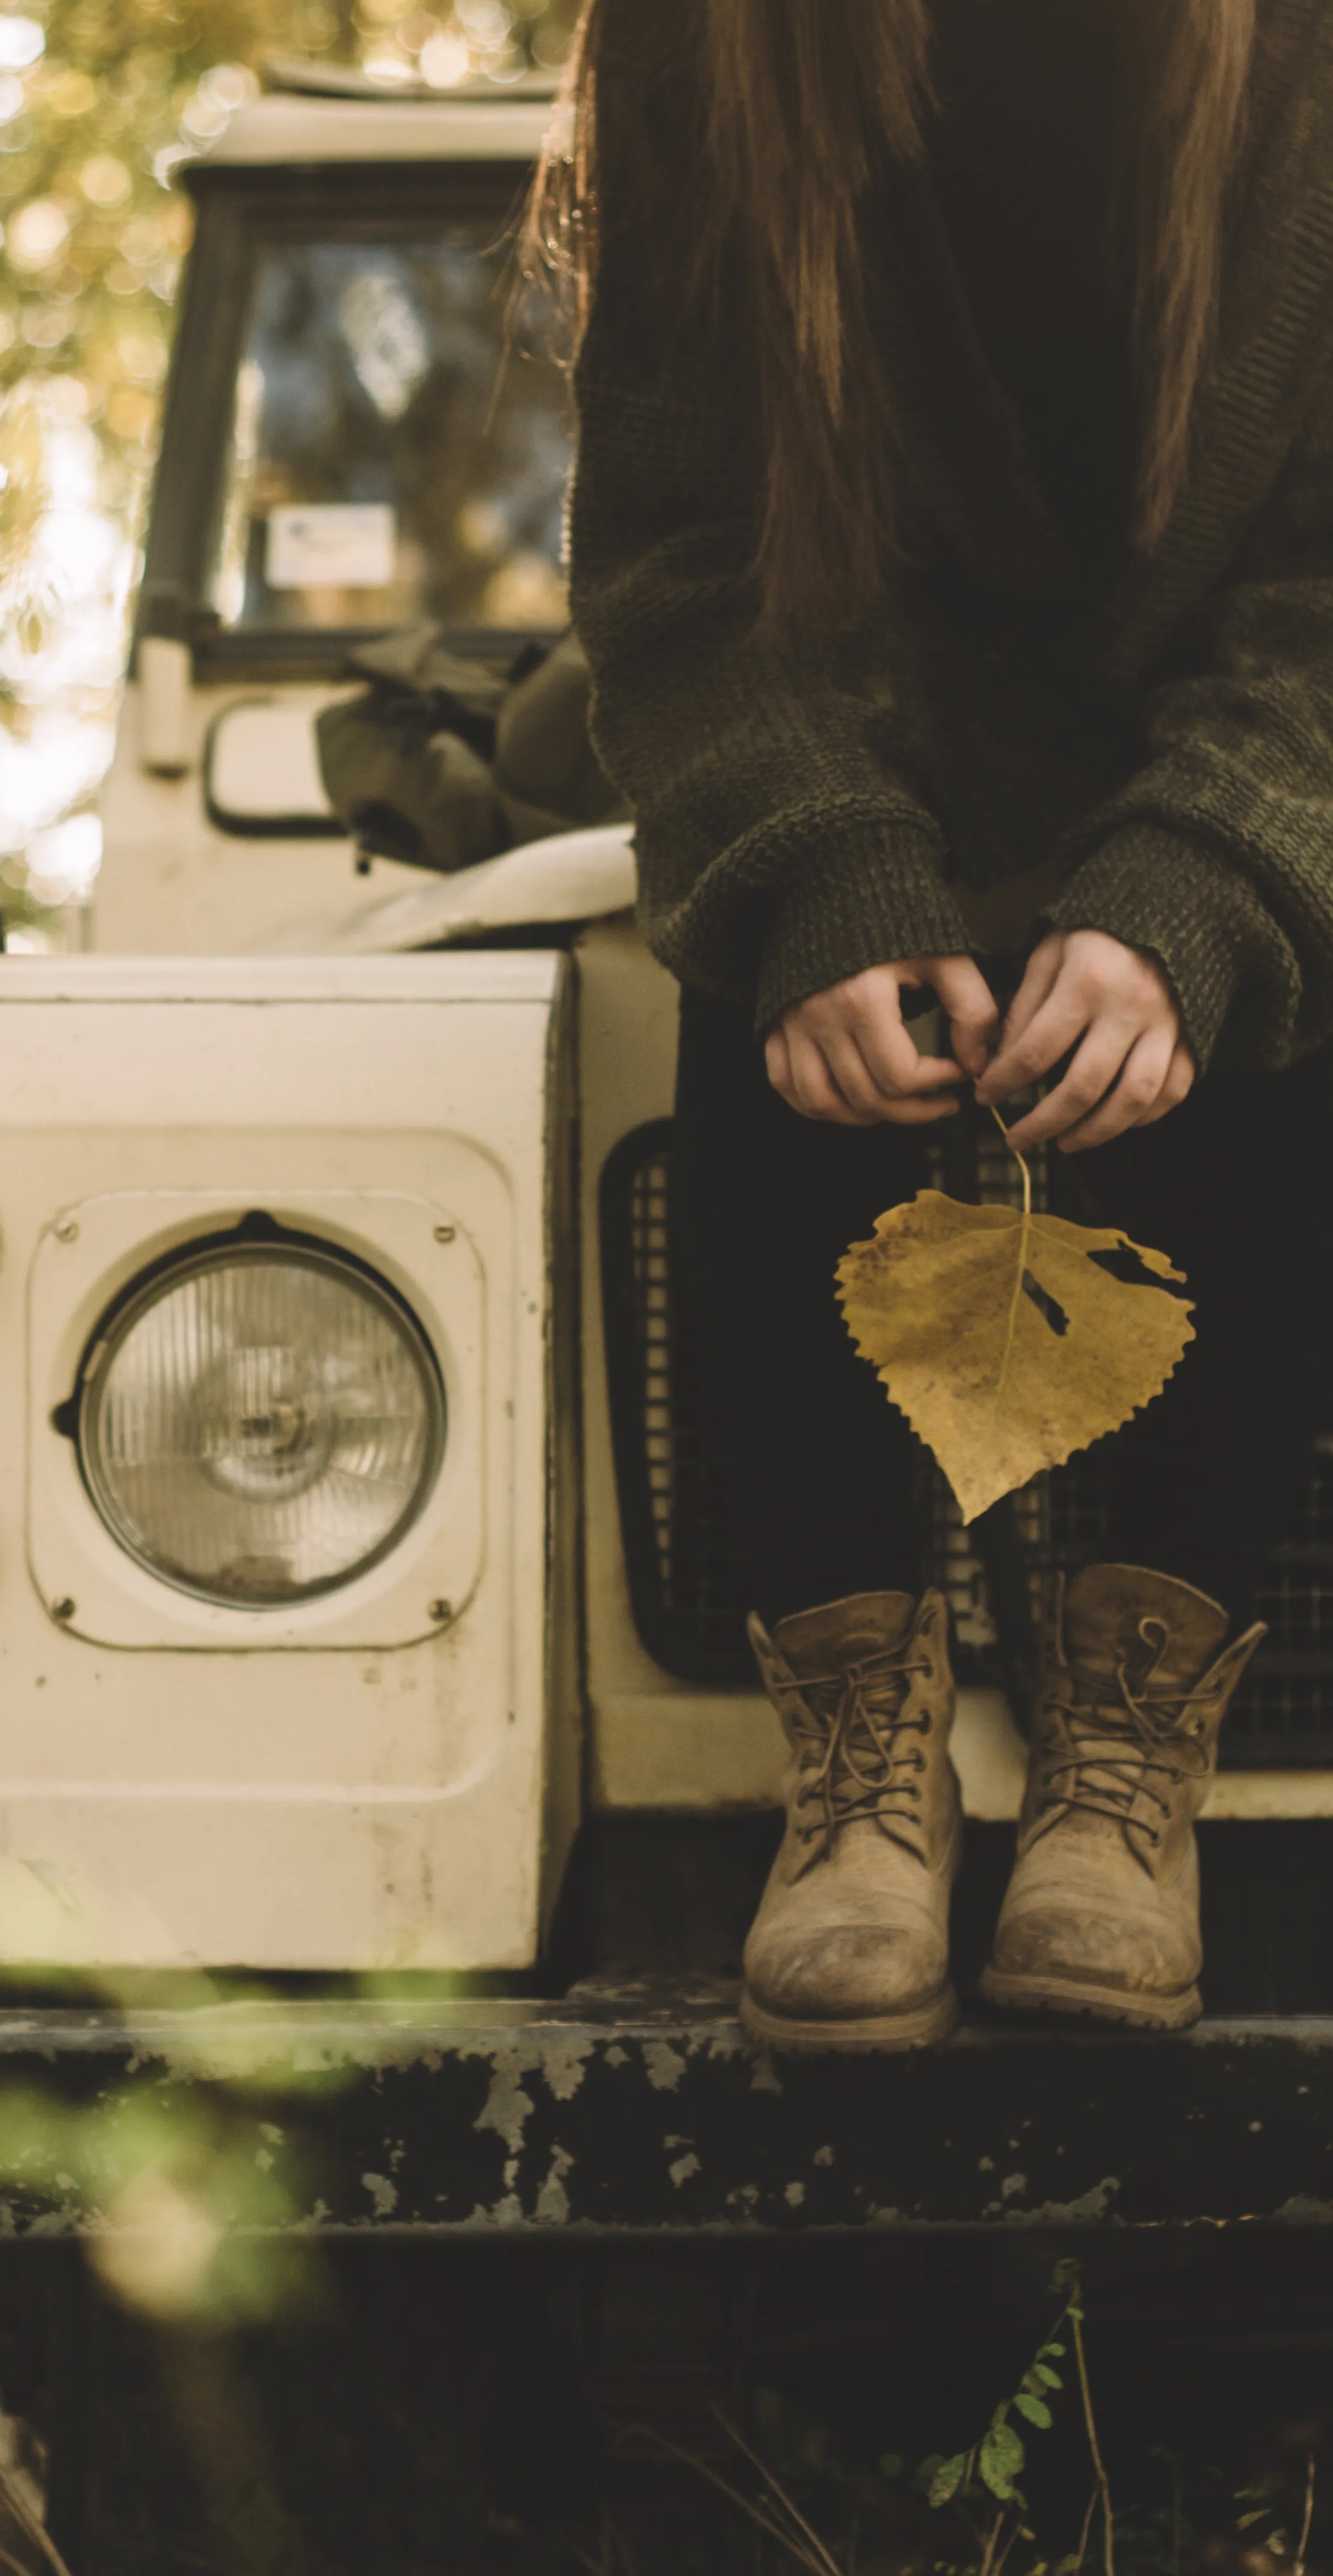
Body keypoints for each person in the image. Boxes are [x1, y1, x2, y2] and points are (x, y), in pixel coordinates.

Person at [555, 0, 1333, 2050]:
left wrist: (1194, 890)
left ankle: (1129, 1748)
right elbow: (678, 548)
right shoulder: (702, 41)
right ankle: (860, 1755)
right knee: (759, 980)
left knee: (1283, 990)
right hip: (853, 718)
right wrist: (817, 872)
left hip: (1250, 738)